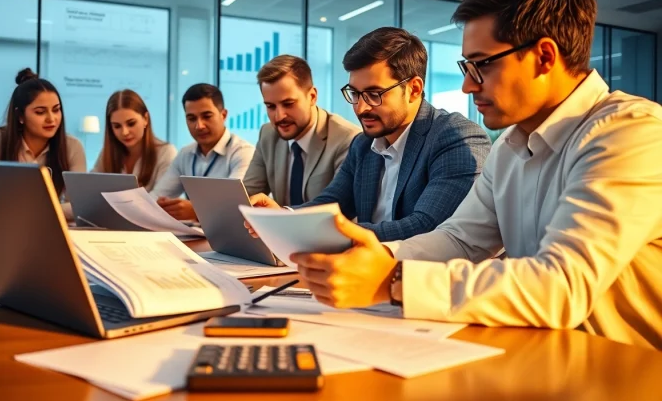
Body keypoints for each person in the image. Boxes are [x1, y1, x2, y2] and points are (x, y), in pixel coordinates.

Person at [288, 0, 662, 350]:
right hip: (544, 354)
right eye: (467, 67)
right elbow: (460, 240)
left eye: (482, 65)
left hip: (628, 367)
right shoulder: (512, 146)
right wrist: (377, 258)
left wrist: (393, 281)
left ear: (544, 57)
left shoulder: (631, 132)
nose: (468, 85)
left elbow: (561, 286)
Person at [248, 28, 491, 241]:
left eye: (374, 94)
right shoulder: (363, 144)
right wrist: (283, 218)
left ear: (414, 89)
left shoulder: (456, 137)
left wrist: (326, 232)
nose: (361, 108)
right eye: (354, 93)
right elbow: (331, 204)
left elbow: (425, 227)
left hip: (425, 283)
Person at [242, 55, 360, 206]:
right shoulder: (268, 133)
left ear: (312, 96)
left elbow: (336, 207)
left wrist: (283, 216)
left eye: (288, 104)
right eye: (271, 106)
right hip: (278, 229)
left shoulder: (347, 139)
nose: (279, 116)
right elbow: (247, 194)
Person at [0, 67, 86, 199]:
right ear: (20, 116)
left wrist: (40, 211)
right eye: (40, 112)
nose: (51, 119)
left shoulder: (72, 146)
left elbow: (77, 204)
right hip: (1, 218)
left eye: (56, 110)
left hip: (50, 220)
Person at [151, 84, 255, 221]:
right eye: (192, 118)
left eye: (207, 116)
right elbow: (156, 196)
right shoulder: (185, 154)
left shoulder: (242, 152)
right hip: (196, 234)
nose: (199, 126)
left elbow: (234, 205)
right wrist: (160, 205)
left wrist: (197, 211)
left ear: (223, 115)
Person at [92, 89, 177, 192]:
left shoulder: (166, 152)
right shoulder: (107, 154)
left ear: (145, 119)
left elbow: (161, 200)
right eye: (117, 126)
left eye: (131, 123)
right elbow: (89, 191)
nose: (124, 132)